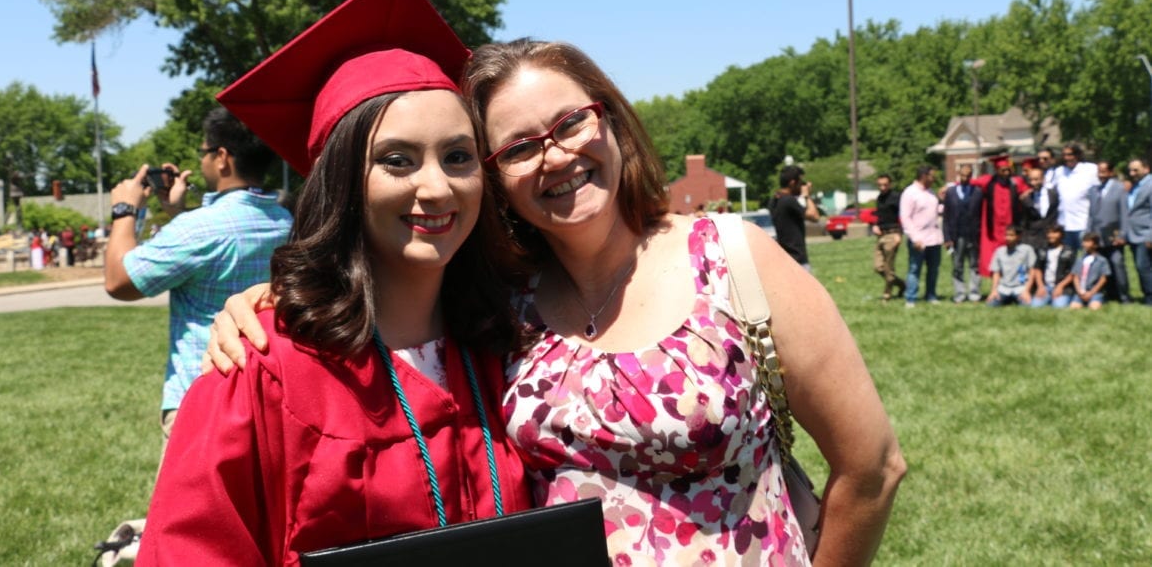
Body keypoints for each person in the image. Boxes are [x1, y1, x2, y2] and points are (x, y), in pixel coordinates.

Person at [211, 39, 906, 564]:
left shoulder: (731, 257)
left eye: (570, 122)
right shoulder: (497, 304)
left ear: (609, 119)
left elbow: (872, 468)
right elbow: (386, 279)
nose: (554, 155)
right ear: (494, 179)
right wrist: (269, 297)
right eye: (518, 147)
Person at [140, 0, 531, 564]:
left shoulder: (503, 345)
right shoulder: (261, 368)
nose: (437, 187)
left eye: (458, 156)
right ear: (343, 182)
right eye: (397, 161)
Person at [104, 107, 294, 475]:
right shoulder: (284, 220)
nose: (203, 160)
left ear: (222, 158)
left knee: (189, 525)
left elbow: (119, 281)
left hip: (203, 400)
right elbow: (217, 255)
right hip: (268, 395)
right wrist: (177, 212)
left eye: (205, 152)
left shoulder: (199, 229)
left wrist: (126, 210)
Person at [970, 155, 1028, 279]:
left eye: (1008, 169)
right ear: (997, 170)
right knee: (992, 253)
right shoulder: (988, 181)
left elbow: (1028, 189)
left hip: (1009, 223)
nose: (1006, 172)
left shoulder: (1015, 182)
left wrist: (1027, 192)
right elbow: (969, 182)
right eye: (1003, 170)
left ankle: (1011, 280)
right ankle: (996, 281)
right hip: (993, 226)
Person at [1087, 159, 1130, 303]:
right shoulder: (1093, 190)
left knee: (1117, 264)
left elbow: (1124, 213)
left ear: (1111, 172)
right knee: (1103, 267)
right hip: (1097, 236)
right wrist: (1088, 234)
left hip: (1114, 235)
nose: (1101, 175)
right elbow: (1091, 215)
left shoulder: (1120, 189)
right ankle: (1109, 294)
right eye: (1099, 172)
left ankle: (1124, 296)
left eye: (1104, 172)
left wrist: (1123, 234)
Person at [900, 165, 943, 307]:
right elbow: (905, 217)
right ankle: (911, 298)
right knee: (914, 269)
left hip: (934, 238)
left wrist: (943, 201)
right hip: (919, 239)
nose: (934, 178)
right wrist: (915, 238)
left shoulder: (931, 193)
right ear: (923, 176)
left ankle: (931, 295)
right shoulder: (910, 193)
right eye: (932, 175)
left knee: (933, 269)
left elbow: (936, 212)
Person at [942, 164, 983, 303]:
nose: (965, 178)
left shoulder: (978, 192)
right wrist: (947, 237)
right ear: (959, 174)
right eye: (963, 175)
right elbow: (946, 216)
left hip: (973, 235)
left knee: (974, 265)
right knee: (957, 266)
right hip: (956, 235)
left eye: (968, 175)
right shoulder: (951, 192)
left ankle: (974, 293)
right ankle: (959, 294)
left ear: (972, 175)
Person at [768, 164, 821, 271]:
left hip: (784, 258)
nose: (802, 185)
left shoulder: (775, 200)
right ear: (792, 183)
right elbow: (815, 216)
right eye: (800, 182)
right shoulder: (789, 201)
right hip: (797, 259)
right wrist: (806, 195)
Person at [1052, 142, 1098, 251]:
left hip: (1083, 223)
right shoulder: (1059, 172)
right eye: (1064, 155)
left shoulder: (1090, 169)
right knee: (1068, 258)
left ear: (1077, 155)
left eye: (1070, 154)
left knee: (1085, 257)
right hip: (1064, 224)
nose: (1066, 158)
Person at [872, 173, 906, 301]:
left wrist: (899, 234)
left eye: (885, 185)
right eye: (879, 185)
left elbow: (903, 216)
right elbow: (879, 216)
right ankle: (902, 285)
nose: (882, 187)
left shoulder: (896, 197)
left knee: (888, 267)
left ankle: (887, 295)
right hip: (881, 235)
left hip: (893, 234)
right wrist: (875, 225)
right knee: (878, 267)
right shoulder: (879, 198)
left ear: (890, 184)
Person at [986, 225, 1035, 307]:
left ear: (1018, 237)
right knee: (991, 305)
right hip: (1003, 287)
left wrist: (1027, 290)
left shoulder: (1027, 250)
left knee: (1027, 305)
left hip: (1020, 287)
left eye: (1011, 235)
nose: (1008, 238)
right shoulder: (999, 251)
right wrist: (993, 291)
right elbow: (996, 273)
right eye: (1006, 235)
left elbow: (1032, 271)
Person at [1028, 225, 1075, 308]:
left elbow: (1073, 273)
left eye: (1054, 233)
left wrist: (1060, 286)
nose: (1051, 235)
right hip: (1045, 286)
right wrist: (1040, 286)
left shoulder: (1069, 251)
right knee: (1034, 307)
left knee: (1058, 307)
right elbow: (1037, 269)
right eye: (1049, 233)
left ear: (1061, 234)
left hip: (1063, 287)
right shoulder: (1042, 250)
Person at [1126, 157, 1152, 304]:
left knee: (1144, 267)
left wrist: (1150, 236)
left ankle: (1150, 299)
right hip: (1133, 234)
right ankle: (1146, 296)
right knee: (1140, 267)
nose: (1132, 172)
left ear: (1146, 169)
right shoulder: (1136, 186)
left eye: (1136, 169)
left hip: (1145, 234)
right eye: (1130, 170)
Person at [1018, 166, 1059, 250]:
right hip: (1032, 239)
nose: (1033, 183)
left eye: (1036, 179)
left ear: (1043, 179)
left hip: (1051, 237)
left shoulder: (1054, 195)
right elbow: (1024, 221)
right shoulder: (1026, 198)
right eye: (1031, 180)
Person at [1069, 232, 1110, 310]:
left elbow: (1103, 278)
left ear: (1095, 245)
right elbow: (1075, 276)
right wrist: (1079, 291)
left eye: (1088, 242)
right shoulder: (1080, 260)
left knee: (1094, 307)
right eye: (1084, 241)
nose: (1084, 244)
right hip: (1080, 292)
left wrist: (1091, 292)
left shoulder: (1102, 260)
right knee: (1074, 308)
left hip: (1095, 292)